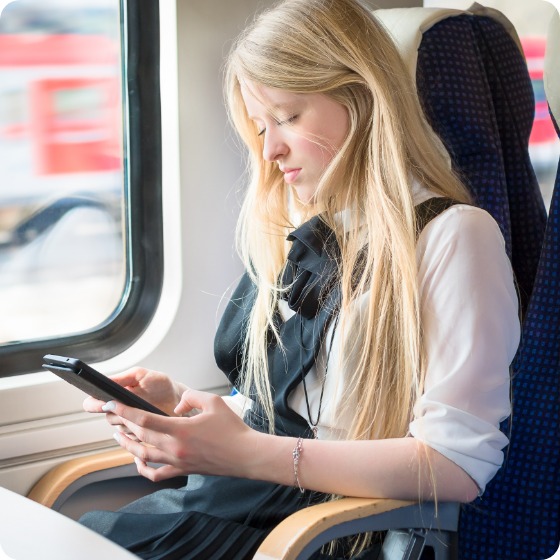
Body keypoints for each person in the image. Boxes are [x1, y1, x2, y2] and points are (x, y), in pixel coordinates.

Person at [79, 0, 520, 558]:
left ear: (361, 99)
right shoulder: (307, 232)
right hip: (236, 506)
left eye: (287, 117)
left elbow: (453, 467)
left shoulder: (454, 236)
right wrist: (184, 411)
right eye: (261, 127)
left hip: (316, 535)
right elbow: (307, 415)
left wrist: (240, 454)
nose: (269, 150)